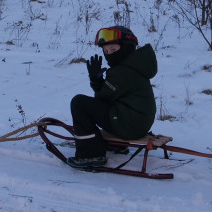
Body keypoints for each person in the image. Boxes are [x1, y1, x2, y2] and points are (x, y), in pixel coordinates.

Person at [67, 25, 158, 168]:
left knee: (79, 103)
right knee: (98, 108)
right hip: (138, 122)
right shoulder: (134, 65)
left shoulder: (122, 72)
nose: (109, 54)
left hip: (129, 125)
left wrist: (95, 81)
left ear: (127, 47)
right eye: (106, 51)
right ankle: (117, 145)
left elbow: (101, 100)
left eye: (113, 50)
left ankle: (91, 154)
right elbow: (108, 99)